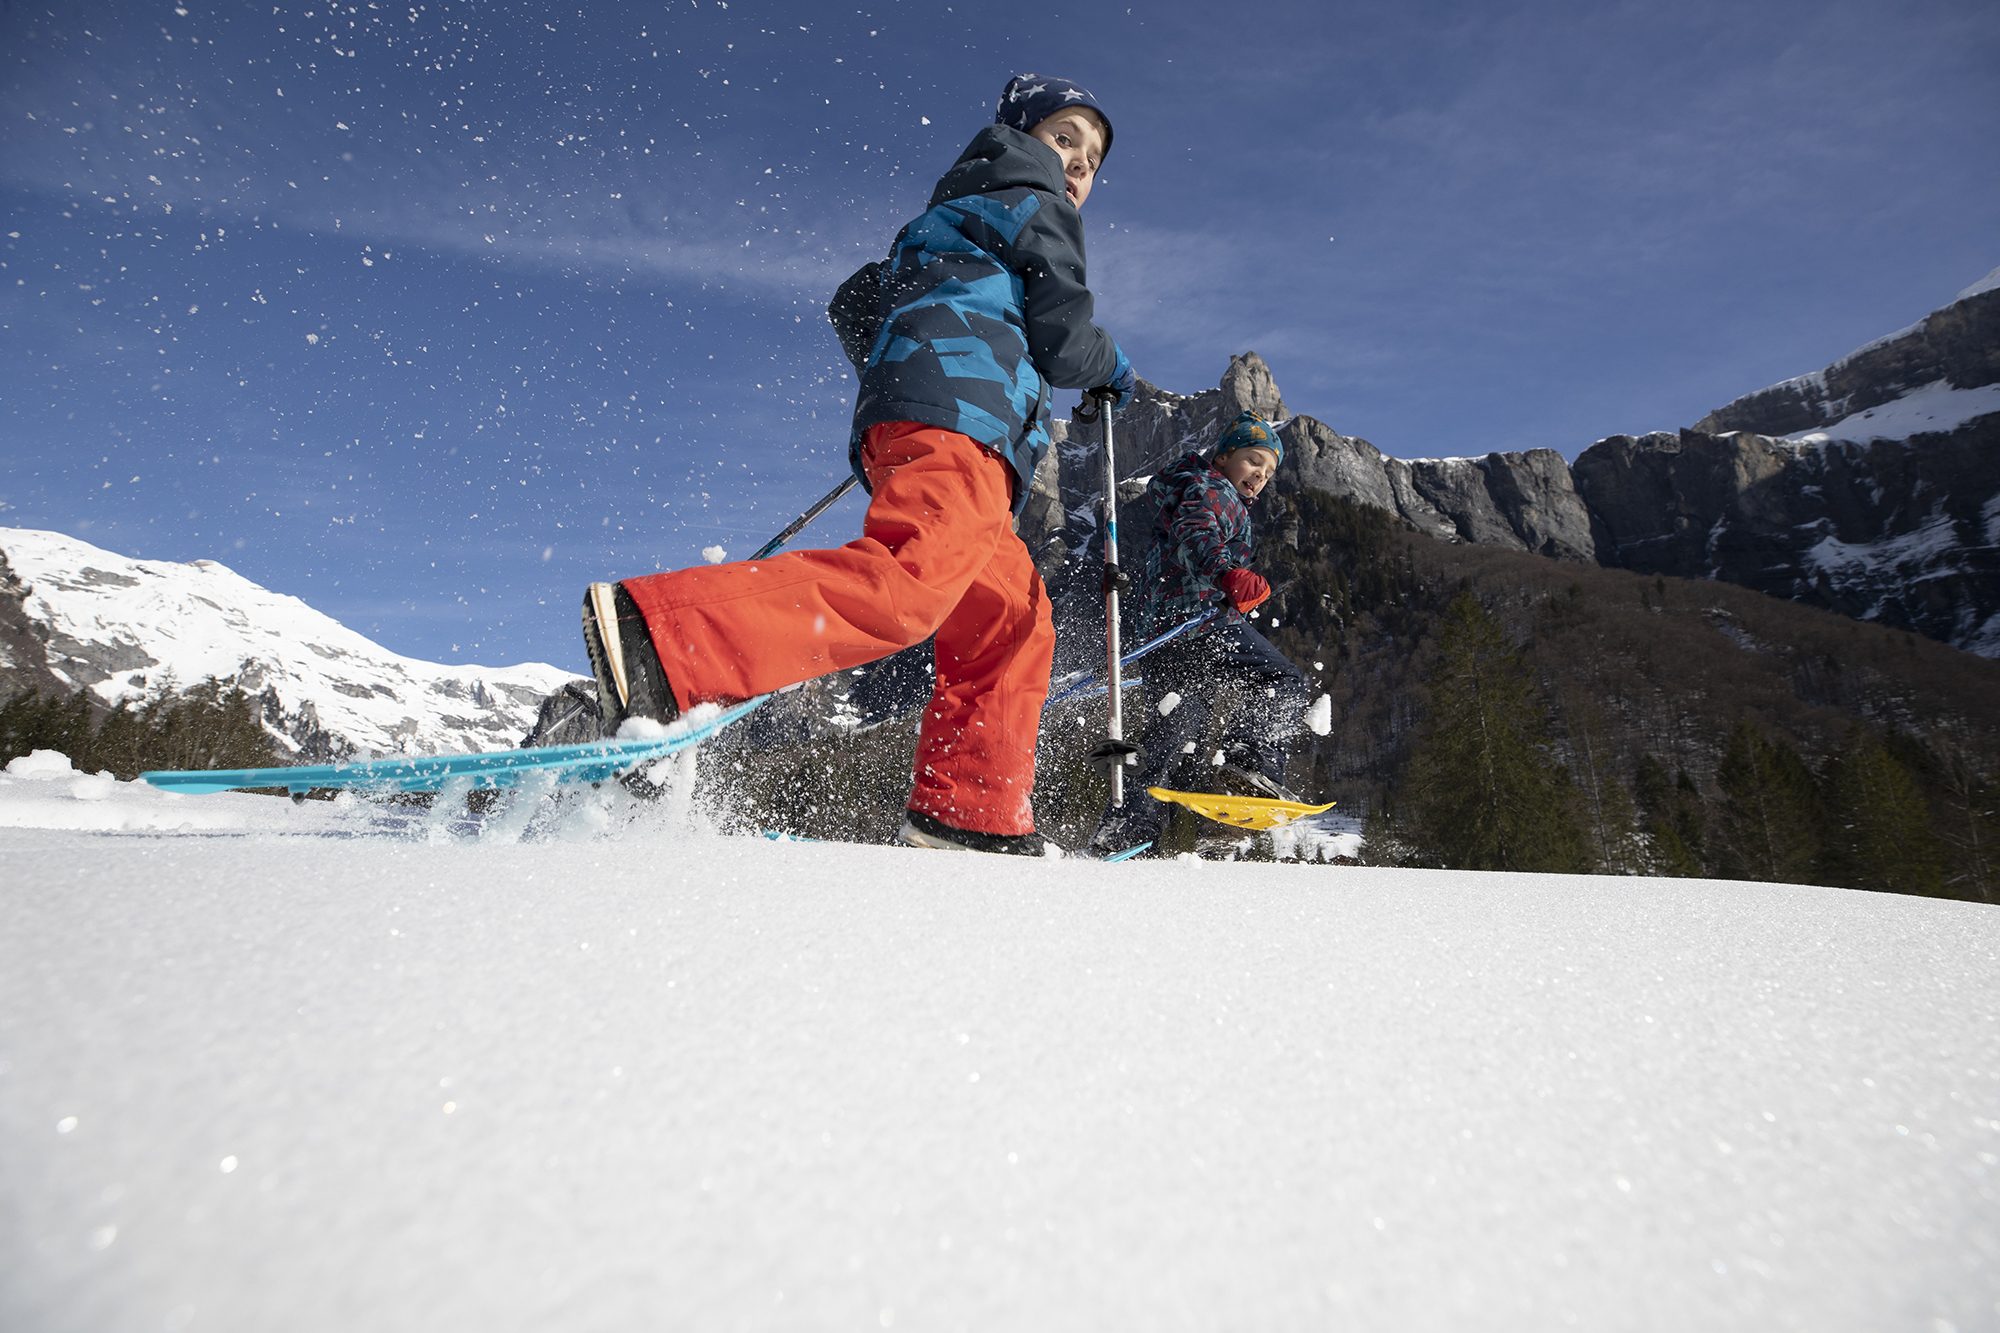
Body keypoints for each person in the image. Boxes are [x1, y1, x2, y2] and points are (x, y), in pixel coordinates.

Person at [582, 73, 1134, 855]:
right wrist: (1113, 367)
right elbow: (1066, 340)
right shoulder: (1030, 195)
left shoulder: (951, 214)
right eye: (1065, 138)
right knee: (911, 583)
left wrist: (903, 376)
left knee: (1013, 619)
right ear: (1022, 137)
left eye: (1093, 158)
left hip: (935, 415)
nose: (1078, 164)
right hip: (962, 431)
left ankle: (970, 812)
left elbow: (858, 301)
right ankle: (665, 641)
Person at [1086, 411, 1314, 856]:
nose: (1259, 476)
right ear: (1225, 456)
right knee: (1284, 681)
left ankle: (1130, 828)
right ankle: (1250, 768)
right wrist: (1228, 573)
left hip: (1164, 635)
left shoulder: (1190, 490)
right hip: (1202, 622)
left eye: (1267, 472)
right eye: (1253, 461)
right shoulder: (1213, 490)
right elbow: (1198, 535)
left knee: (1178, 730)